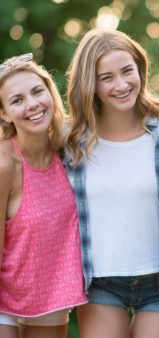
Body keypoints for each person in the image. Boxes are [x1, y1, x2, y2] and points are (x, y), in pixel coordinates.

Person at [64, 29, 159, 338]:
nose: (121, 85)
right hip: (100, 284)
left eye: (126, 71)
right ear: (90, 84)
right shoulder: (70, 140)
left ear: (140, 69)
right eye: (106, 77)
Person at [0, 54, 86, 337]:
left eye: (38, 91)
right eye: (17, 100)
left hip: (49, 294)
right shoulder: (4, 164)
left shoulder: (67, 148)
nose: (32, 104)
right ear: (3, 113)